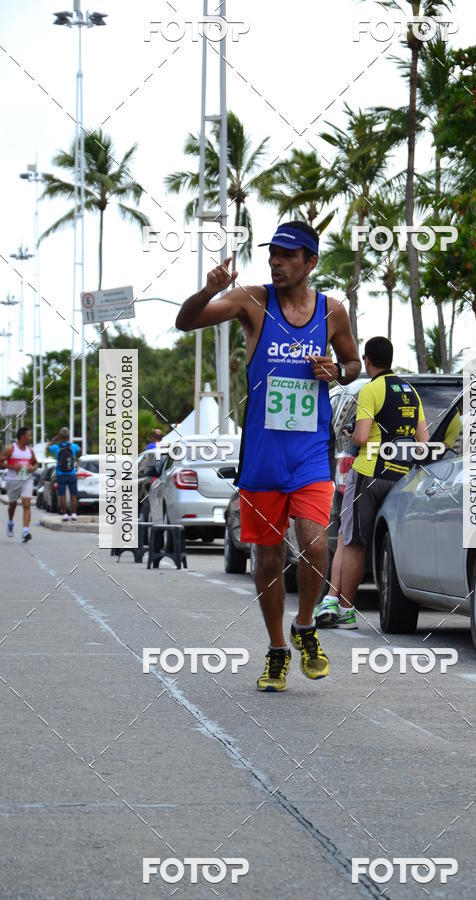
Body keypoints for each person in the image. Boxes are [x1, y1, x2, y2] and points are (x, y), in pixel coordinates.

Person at [176, 220, 361, 691]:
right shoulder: (251, 301)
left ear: (310, 262)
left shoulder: (332, 311)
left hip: (310, 452)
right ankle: (278, 648)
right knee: (269, 557)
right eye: (273, 253)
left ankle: (305, 627)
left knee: (317, 543)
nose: (276, 262)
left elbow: (354, 362)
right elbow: (186, 321)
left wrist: (336, 371)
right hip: (261, 457)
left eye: (288, 255)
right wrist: (207, 289)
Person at [314, 336, 429, 628]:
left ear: (367, 360)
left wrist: (352, 433)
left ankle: (346, 609)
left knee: (353, 541)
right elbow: (423, 442)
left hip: (368, 473)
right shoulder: (410, 391)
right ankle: (332, 599)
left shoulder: (371, 389)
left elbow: (363, 437)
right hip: (400, 476)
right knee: (364, 537)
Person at [0, 427, 38, 542]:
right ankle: (10, 522)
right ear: (22, 437)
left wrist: (33, 468)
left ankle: (25, 531)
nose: (30, 438)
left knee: (26, 504)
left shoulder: (29, 450)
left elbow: (36, 463)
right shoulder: (11, 448)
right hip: (13, 479)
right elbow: (1, 461)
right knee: (13, 504)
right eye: (28, 435)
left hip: (26, 479)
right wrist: (12, 466)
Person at [48, 428, 80, 522]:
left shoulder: (57, 447)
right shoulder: (73, 446)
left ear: (60, 436)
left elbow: (48, 447)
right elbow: (79, 450)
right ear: (69, 436)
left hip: (60, 474)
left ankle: (65, 515)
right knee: (73, 494)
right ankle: (74, 515)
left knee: (62, 495)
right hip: (72, 473)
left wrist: (54, 439)